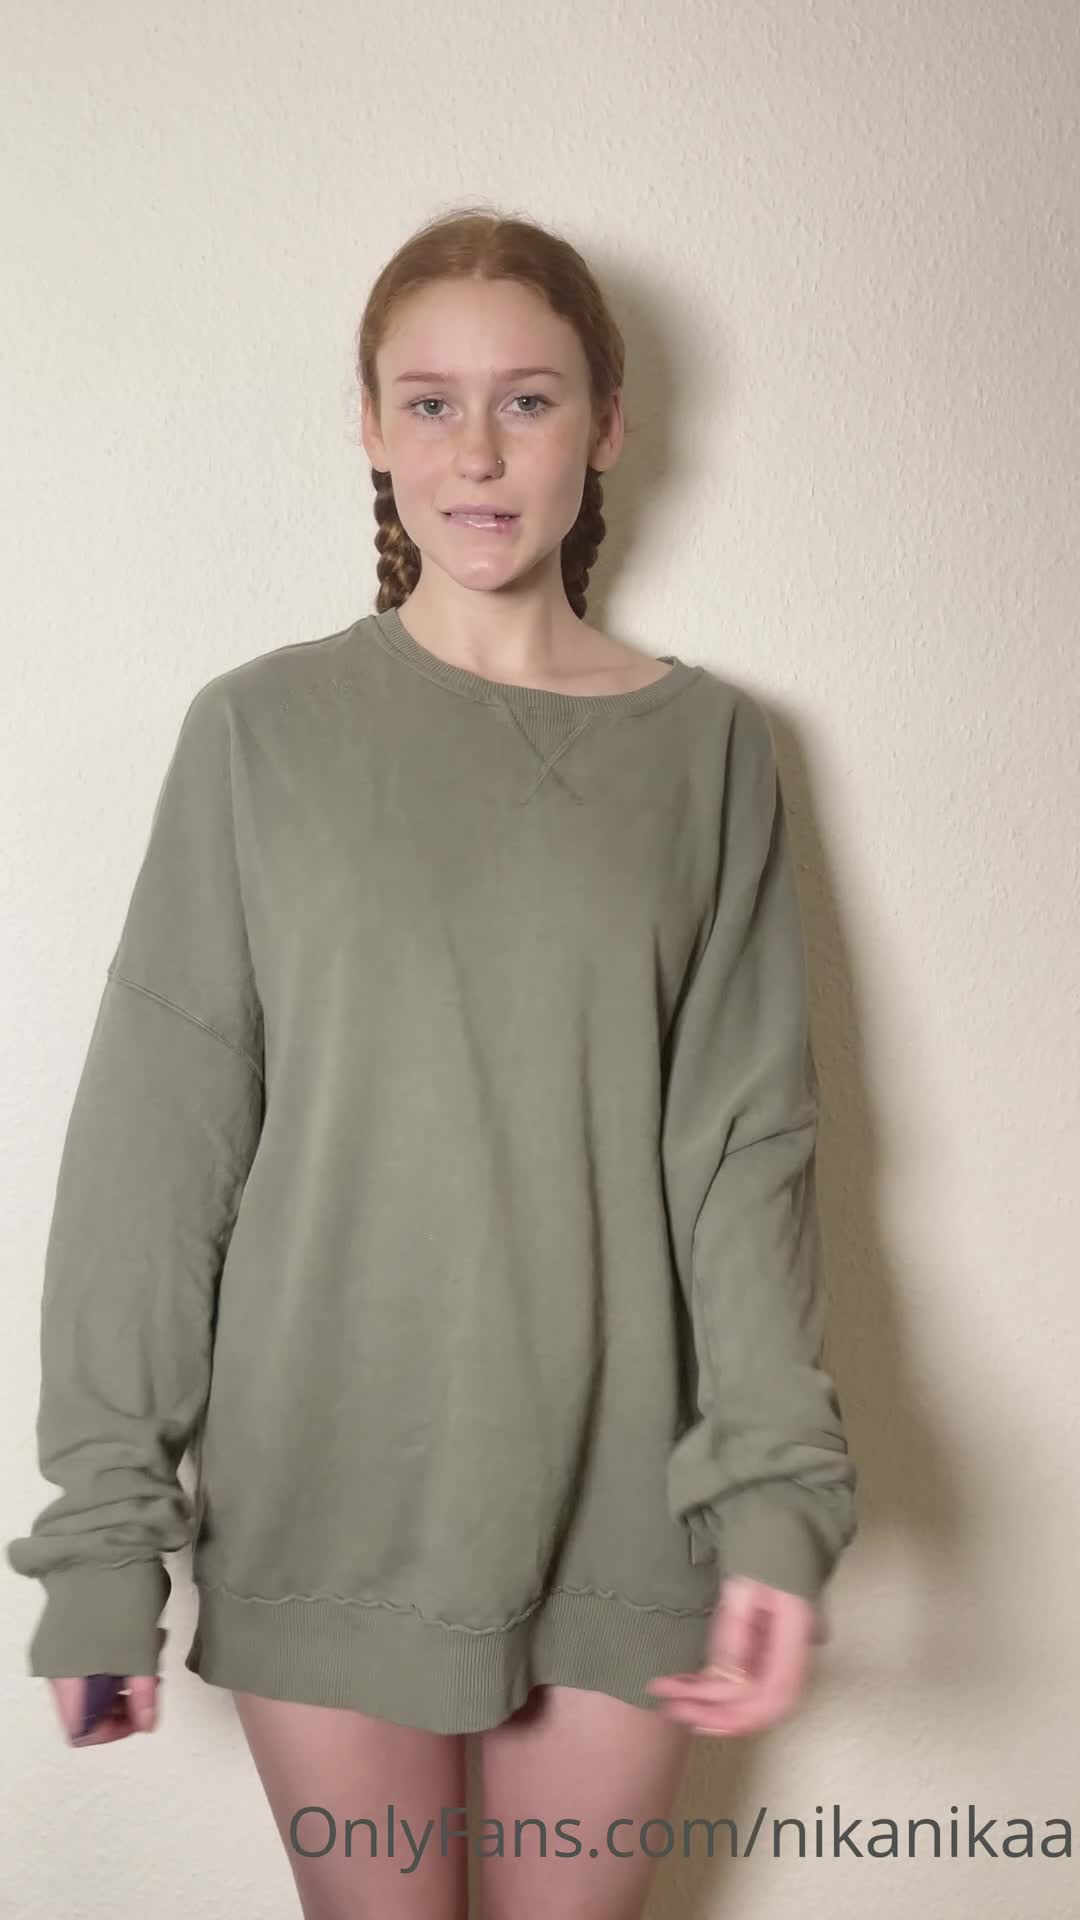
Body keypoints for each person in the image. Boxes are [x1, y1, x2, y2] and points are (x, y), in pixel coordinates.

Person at [6, 204, 858, 1920]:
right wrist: (103, 1549)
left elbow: (743, 1150)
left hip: (629, 1505)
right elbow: (157, 1152)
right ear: (371, 427)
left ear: (606, 425)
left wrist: (777, 1502)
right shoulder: (261, 733)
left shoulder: (711, 750)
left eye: (528, 400)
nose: (477, 451)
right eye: (429, 401)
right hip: (329, 1496)